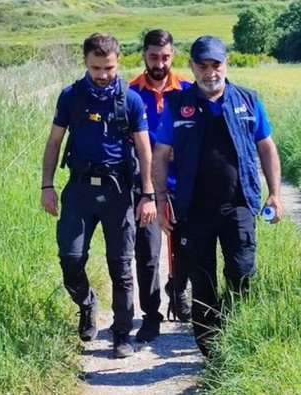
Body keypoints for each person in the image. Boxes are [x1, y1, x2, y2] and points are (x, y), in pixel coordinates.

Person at [153, 35, 283, 357]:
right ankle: (212, 352)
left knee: (242, 273)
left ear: (226, 63)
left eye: (216, 64)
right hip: (194, 209)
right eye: (203, 65)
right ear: (192, 66)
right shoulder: (176, 105)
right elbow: (159, 155)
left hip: (238, 204)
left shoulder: (248, 101)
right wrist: (158, 200)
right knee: (202, 282)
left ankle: (235, 333)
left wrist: (275, 194)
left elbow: (266, 147)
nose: (210, 72)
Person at [40, 32, 156, 358]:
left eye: (109, 68)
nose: (103, 75)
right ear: (85, 63)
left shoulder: (131, 100)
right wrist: (47, 186)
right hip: (78, 190)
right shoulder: (71, 97)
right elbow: (54, 143)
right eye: (96, 68)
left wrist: (147, 194)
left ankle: (122, 335)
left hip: (119, 192)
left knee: (120, 267)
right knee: (71, 258)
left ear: (118, 62)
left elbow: (144, 148)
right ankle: (87, 302)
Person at [129, 29, 193, 342]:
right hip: (146, 187)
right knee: (148, 252)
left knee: (186, 248)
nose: (159, 63)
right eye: (153, 56)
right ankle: (150, 314)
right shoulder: (129, 92)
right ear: (144, 54)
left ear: (174, 56)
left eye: (165, 57)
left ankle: (178, 289)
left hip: (183, 182)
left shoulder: (188, 90)